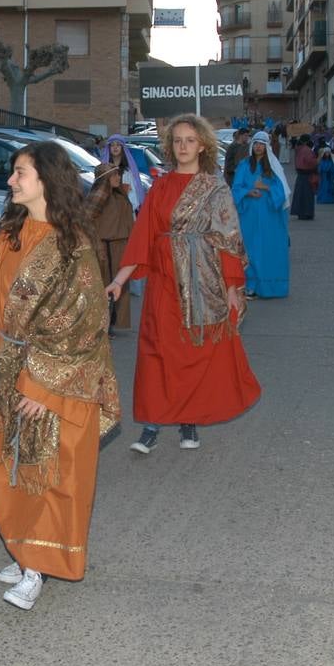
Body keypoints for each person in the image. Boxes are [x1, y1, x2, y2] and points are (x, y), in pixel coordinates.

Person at [0, 141, 120, 611]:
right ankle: (22, 551)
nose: (11, 181)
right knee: (7, 470)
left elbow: (87, 325)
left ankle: (38, 566)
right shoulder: (6, 238)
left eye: (20, 173)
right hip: (4, 371)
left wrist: (41, 386)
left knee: (46, 472)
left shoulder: (73, 246)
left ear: (47, 181)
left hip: (48, 379)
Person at [107, 114, 261, 455]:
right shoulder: (160, 185)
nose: (183, 147)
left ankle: (187, 420)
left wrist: (234, 289)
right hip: (163, 280)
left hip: (202, 281)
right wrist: (119, 279)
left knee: (193, 350)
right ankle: (151, 424)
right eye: (177, 141)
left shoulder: (215, 188)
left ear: (202, 144)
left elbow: (229, 241)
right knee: (157, 350)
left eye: (190, 140)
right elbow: (143, 235)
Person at [231, 132, 291, 298]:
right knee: (250, 250)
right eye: (256, 143)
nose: (258, 146)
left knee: (268, 249)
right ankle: (251, 286)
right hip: (249, 214)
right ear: (252, 145)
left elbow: (282, 193)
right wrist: (248, 191)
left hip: (269, 215)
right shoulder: (244, 165)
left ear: (267, 146)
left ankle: (270, 287)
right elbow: (236, 188)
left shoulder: (273, 167)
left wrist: (265, 187)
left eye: (262, 144)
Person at [85, 161, 135, 332]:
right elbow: (86, 220)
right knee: (104, 286)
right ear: (105, 178)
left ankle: (112, 322)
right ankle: (102, 323)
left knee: (118, 287)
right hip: (104, 248)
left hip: (120, 246)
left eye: (118, 174)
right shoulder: (100, 195)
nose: (118, 177)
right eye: (113, 175)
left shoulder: (120, 194)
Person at [290, 137, 318, 220]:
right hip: (307, 175)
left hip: (300, 175)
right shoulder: (307, 150)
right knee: (307, 195)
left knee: (300, 195)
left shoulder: (298, 149)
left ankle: (300, 212)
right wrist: (317, 160)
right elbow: (311, 162)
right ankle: (307, 212)